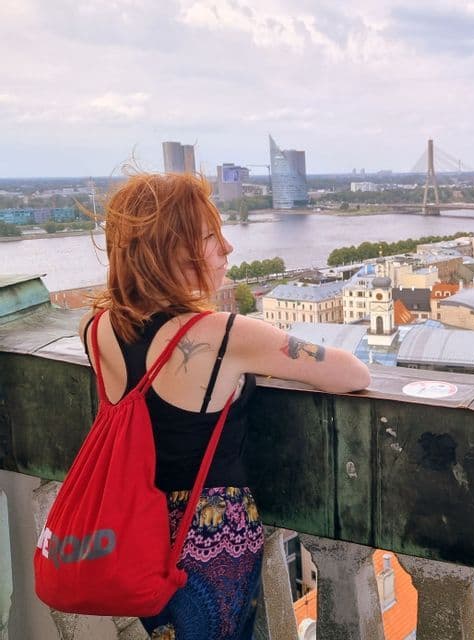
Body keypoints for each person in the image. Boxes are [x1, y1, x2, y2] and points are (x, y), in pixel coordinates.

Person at [78, 172, 371, 639]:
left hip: (136, 532)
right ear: (171, 250)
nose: (228, 248)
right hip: (211, 538)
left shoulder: (97, 330)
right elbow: (355, 374)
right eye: (211, 236)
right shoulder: (222, 333)